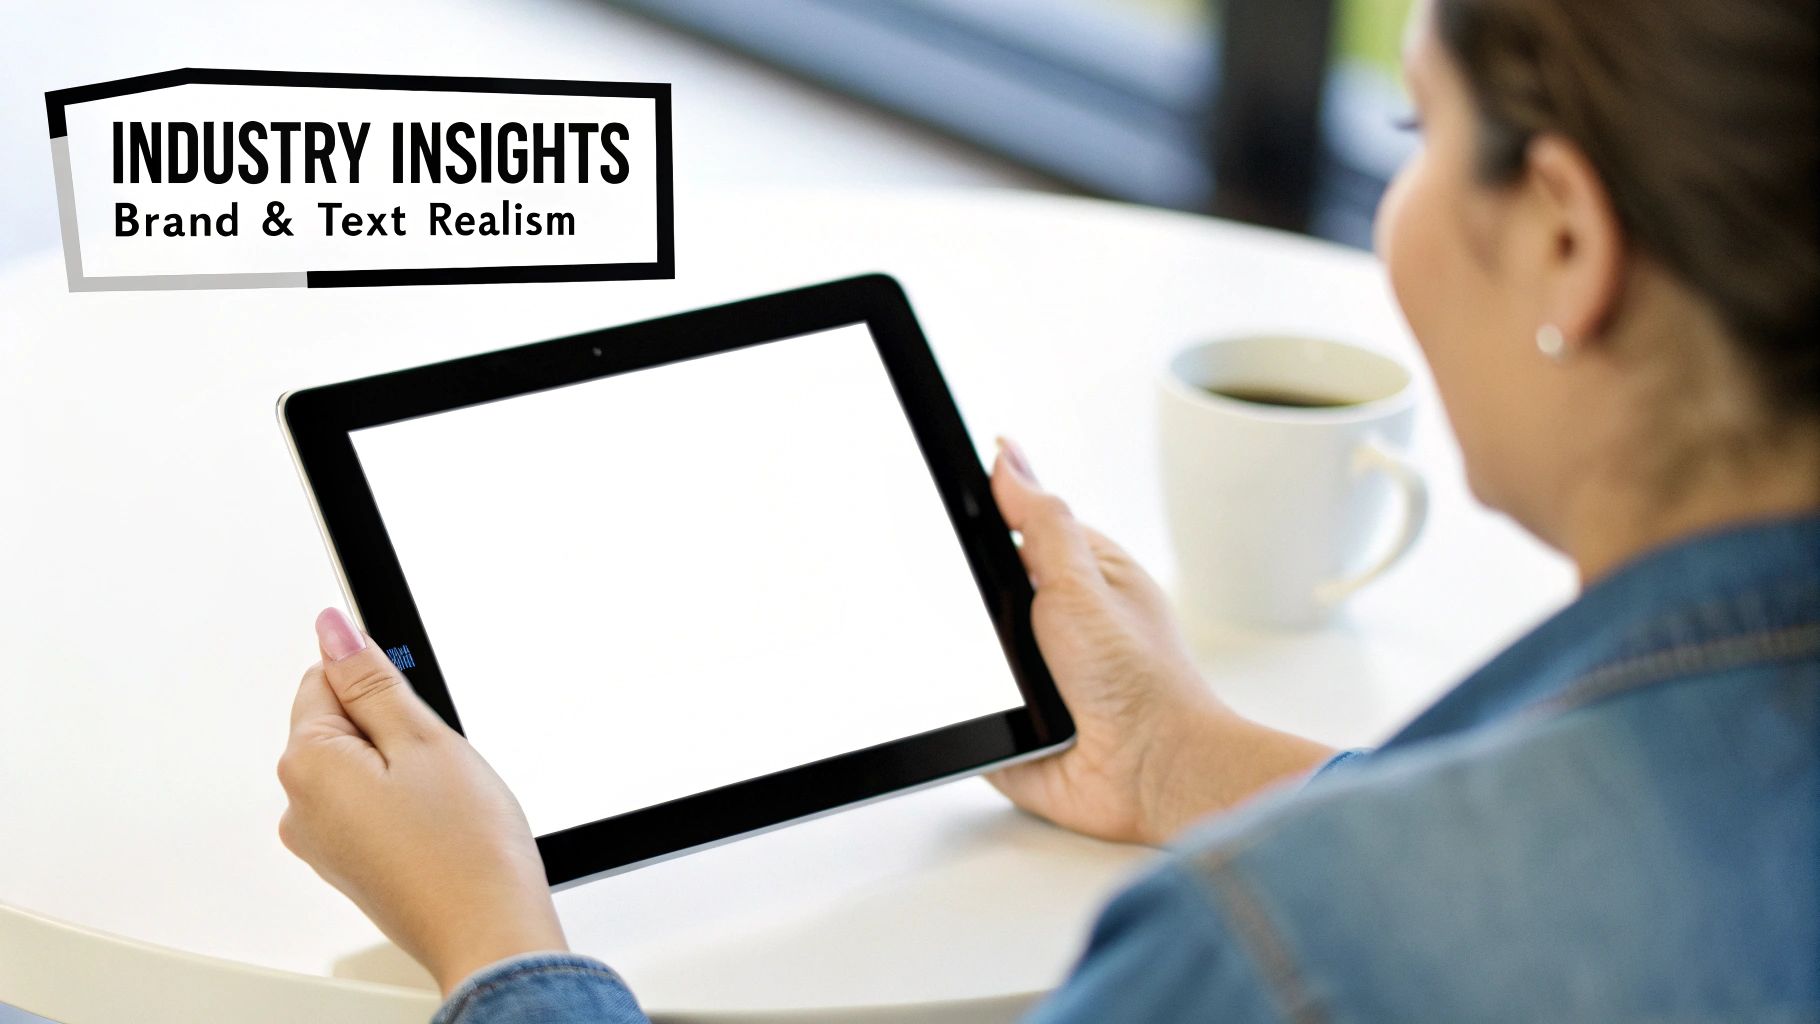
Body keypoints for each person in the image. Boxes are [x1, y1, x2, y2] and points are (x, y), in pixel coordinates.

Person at [277, 0, 1819, 1018]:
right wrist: (1183, 757)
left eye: (1416, 135)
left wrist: (495, 940)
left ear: (1566, 240)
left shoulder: (1276, 946)